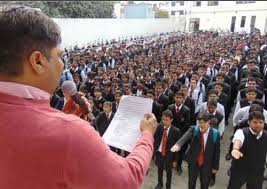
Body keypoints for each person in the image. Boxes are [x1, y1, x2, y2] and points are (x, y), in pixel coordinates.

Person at [0, 6, 158, 189]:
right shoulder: (71, 133)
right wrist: (146, 134)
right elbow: (128, 180)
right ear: (38, 61)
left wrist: (61, 117)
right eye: (60, 56)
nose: (62, 65)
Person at [171, 112, 220, 189]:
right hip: (194, 161)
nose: (202, 125)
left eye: (204, 123)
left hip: (207, 163)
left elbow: (217, 152)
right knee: (191, 182)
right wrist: (178, 145)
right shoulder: (194, 129)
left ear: (209, 122)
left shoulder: (215, 134)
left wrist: (215, 167)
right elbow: (185, 137)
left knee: (204, 183)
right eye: (200, 123)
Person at [227, 111, 267, 189]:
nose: (258, 124)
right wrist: (235, 149)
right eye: (255, 122)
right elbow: (238, 140)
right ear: (249, 122)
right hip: (239, 170)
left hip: (257, 172)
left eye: (260, 122)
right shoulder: (241, 132)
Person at [154, 110, 181, 189]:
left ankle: (168, 186)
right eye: (163, 119)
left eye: (167, 120)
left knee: (169, 172)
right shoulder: (159, 127)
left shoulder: (176, 131)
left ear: (171, 120)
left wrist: (175, 160)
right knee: (160, 169)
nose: (164, 122)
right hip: (159, 153)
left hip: (169, 155)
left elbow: (177, 148)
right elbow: (155, 138)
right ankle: (160, 183)